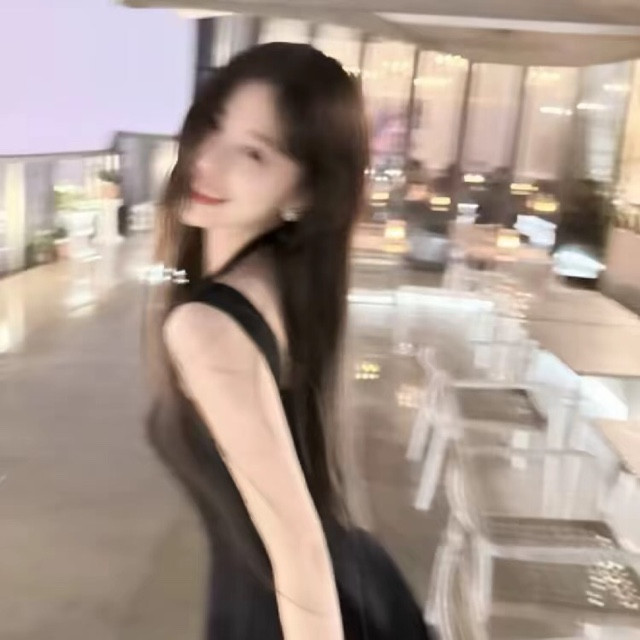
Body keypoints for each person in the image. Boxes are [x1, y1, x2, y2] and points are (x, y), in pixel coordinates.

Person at [145, 43, 433, 640]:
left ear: (303, 195)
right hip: (346, 585)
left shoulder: (206, 327)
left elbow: (298, 550)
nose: (207, 161)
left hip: (288, 612)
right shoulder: (281, 280)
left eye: (254, 152)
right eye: (213, 126)